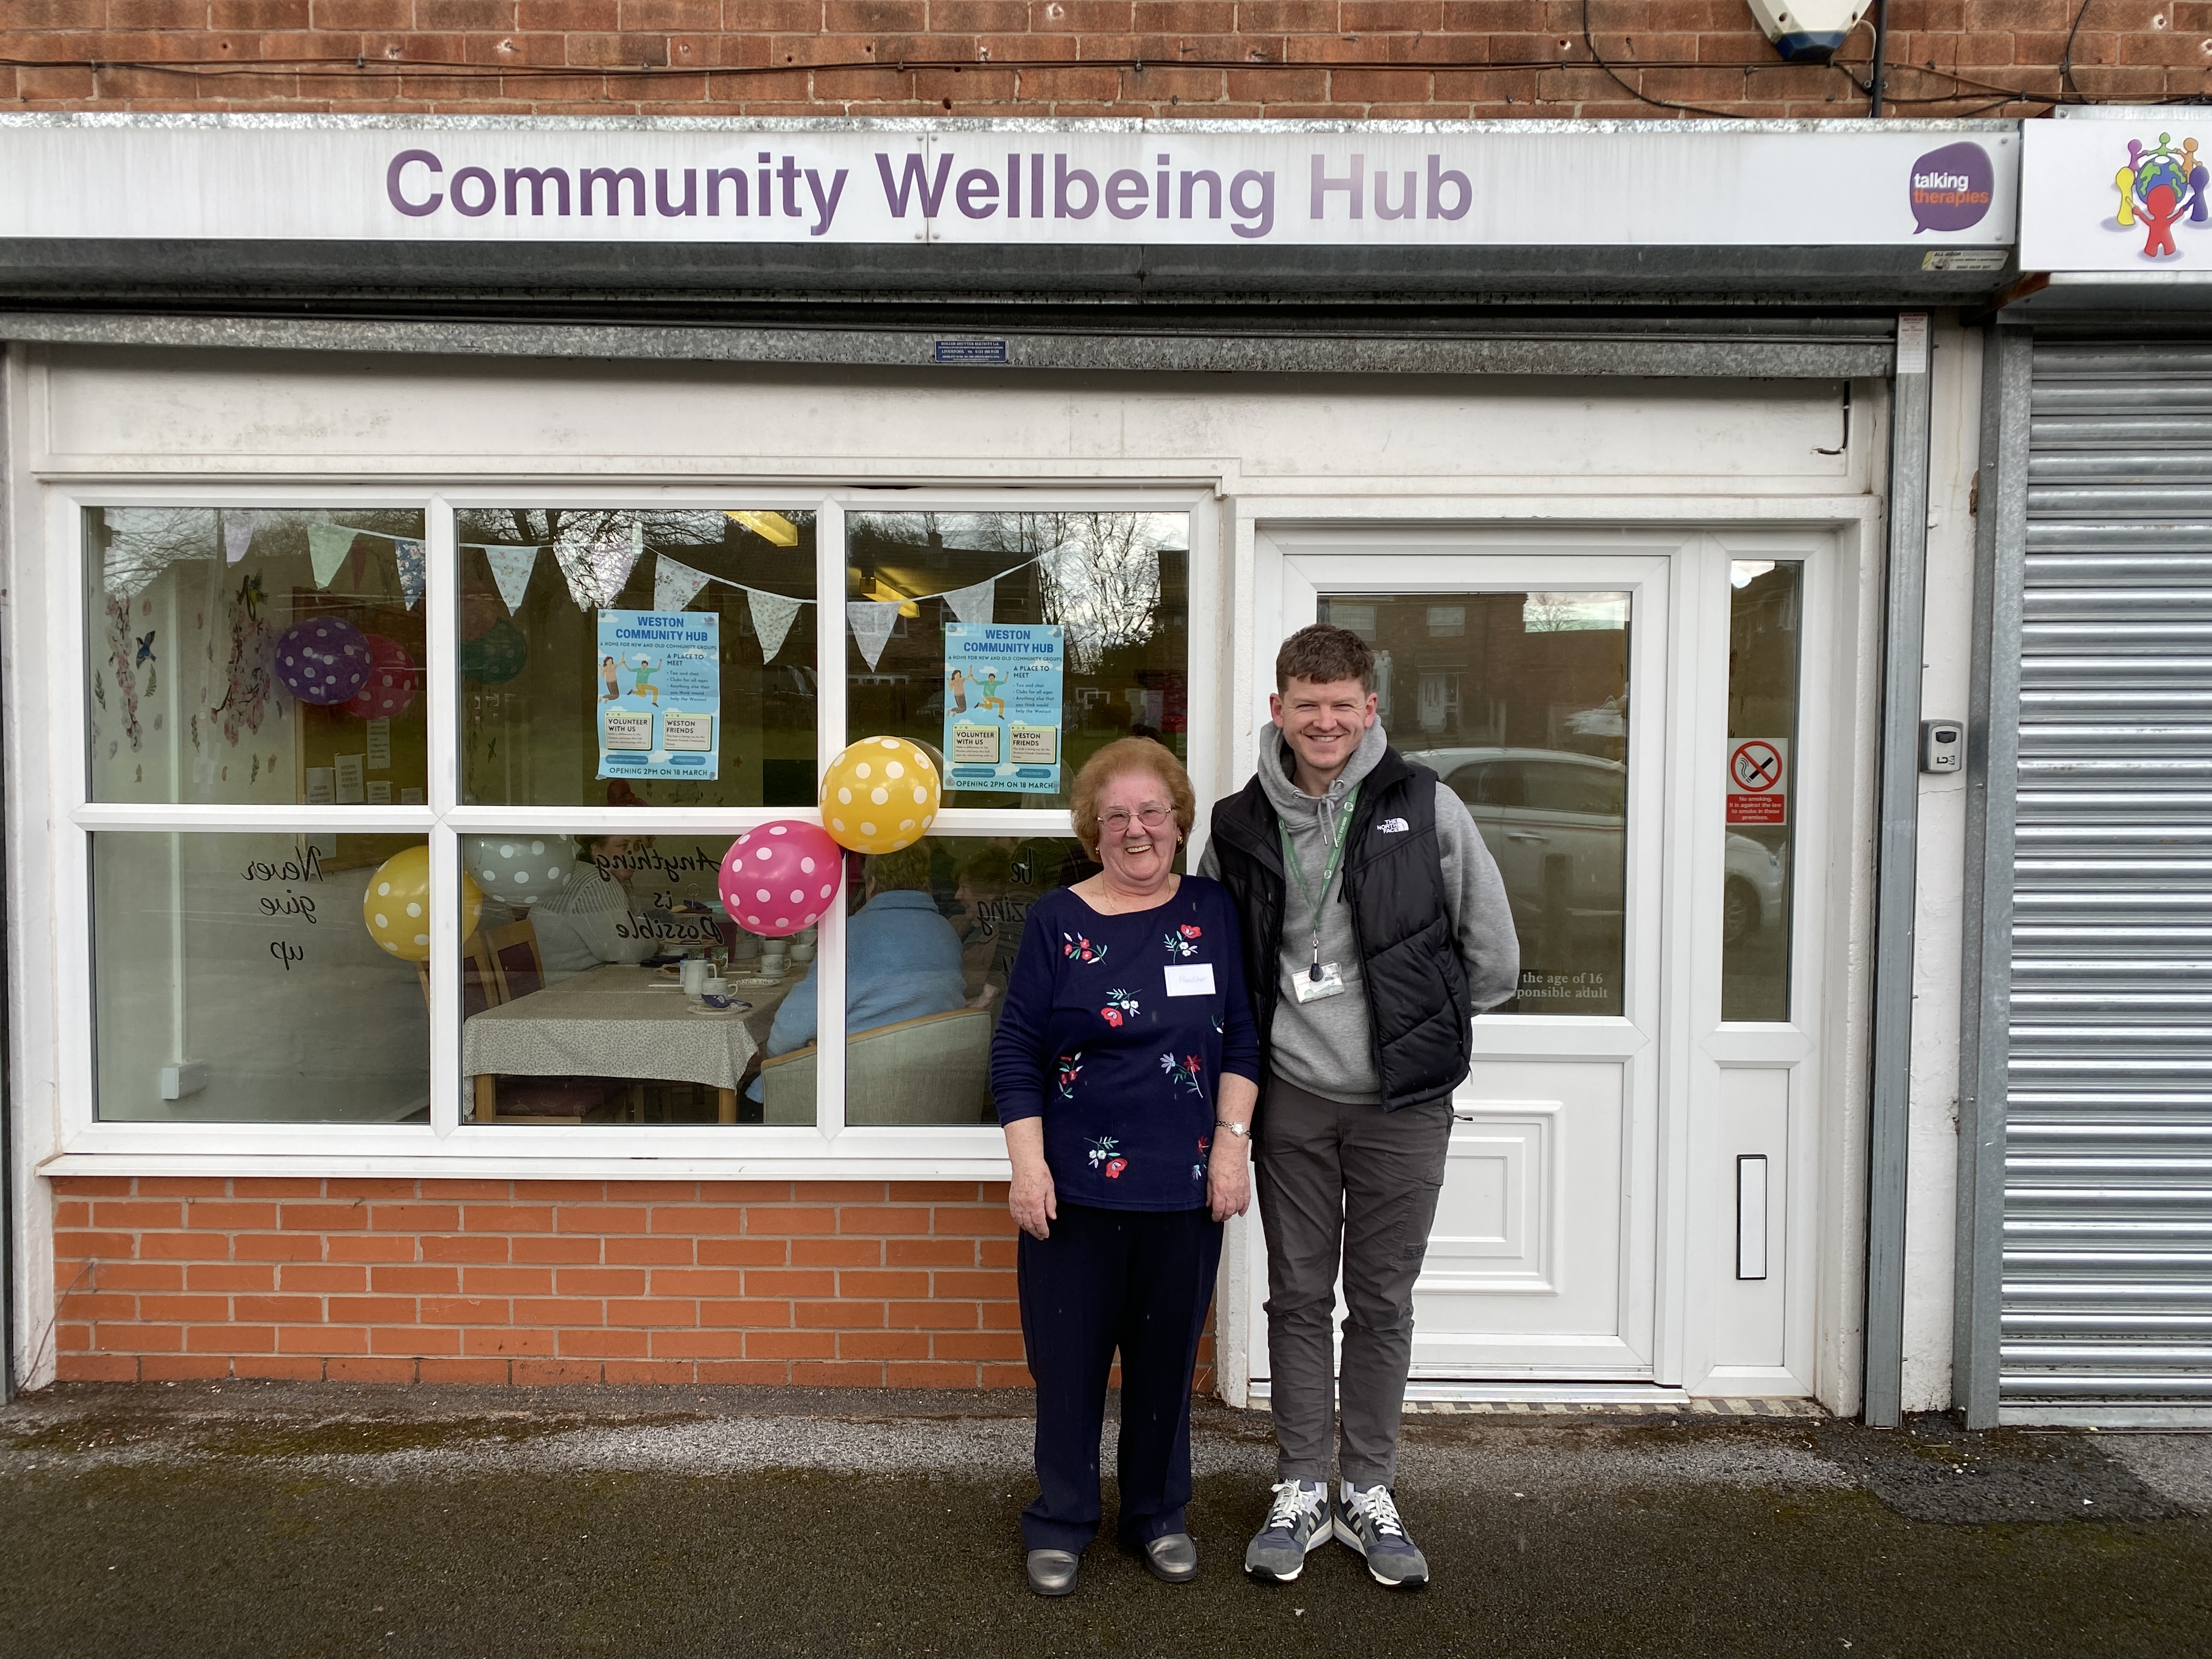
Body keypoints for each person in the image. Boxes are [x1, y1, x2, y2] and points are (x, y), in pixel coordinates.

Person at [1198, 623, 1518, 1591]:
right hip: (1290, 1099)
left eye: (1343, 704)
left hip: (1402, 1103)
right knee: (1296, 1297)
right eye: (1307, 704)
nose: (1325, 720)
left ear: (1369, 707)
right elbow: (1219, 962)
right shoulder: (1238, 821)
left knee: (1380, 1301)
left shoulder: (1426, 807)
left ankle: (1367, 1489)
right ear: (1278, 710)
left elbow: (1493, 958)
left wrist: (1419, 1021)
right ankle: (1300, 1483)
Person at [990, 738, 1260, 1599]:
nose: (1135, 830)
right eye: (1116, 816)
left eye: (1152, 813)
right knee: (1067, 1363)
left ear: (1179, 823)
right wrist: (1028, 1169)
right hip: (1071, 1189)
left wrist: (1230, 1147)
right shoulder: (1056, 921)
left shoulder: (1214, 912)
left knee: (1164, 1362)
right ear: (1092, 830)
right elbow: (1016, 1051)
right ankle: (1062, 1518)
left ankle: (1156, 1513)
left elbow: (1244, 1038)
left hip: (1183, 1187)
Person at [756, 842, 967, 1087]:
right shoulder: (946, 931)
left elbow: (793, 1027)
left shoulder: (851, 934)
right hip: (933, 1079)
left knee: (755, 1095)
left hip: (858, 1084)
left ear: (873, 882)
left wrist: (770, 1058)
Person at [529, 834, 659, 984]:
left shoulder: (592, 874)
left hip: (582, 982)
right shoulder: (596, 882)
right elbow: (627, 952)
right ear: (597, 851)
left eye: (637, 846)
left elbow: (634, 928)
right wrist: (656, 943)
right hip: (563, 991)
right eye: (623, 846)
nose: (633, 853)